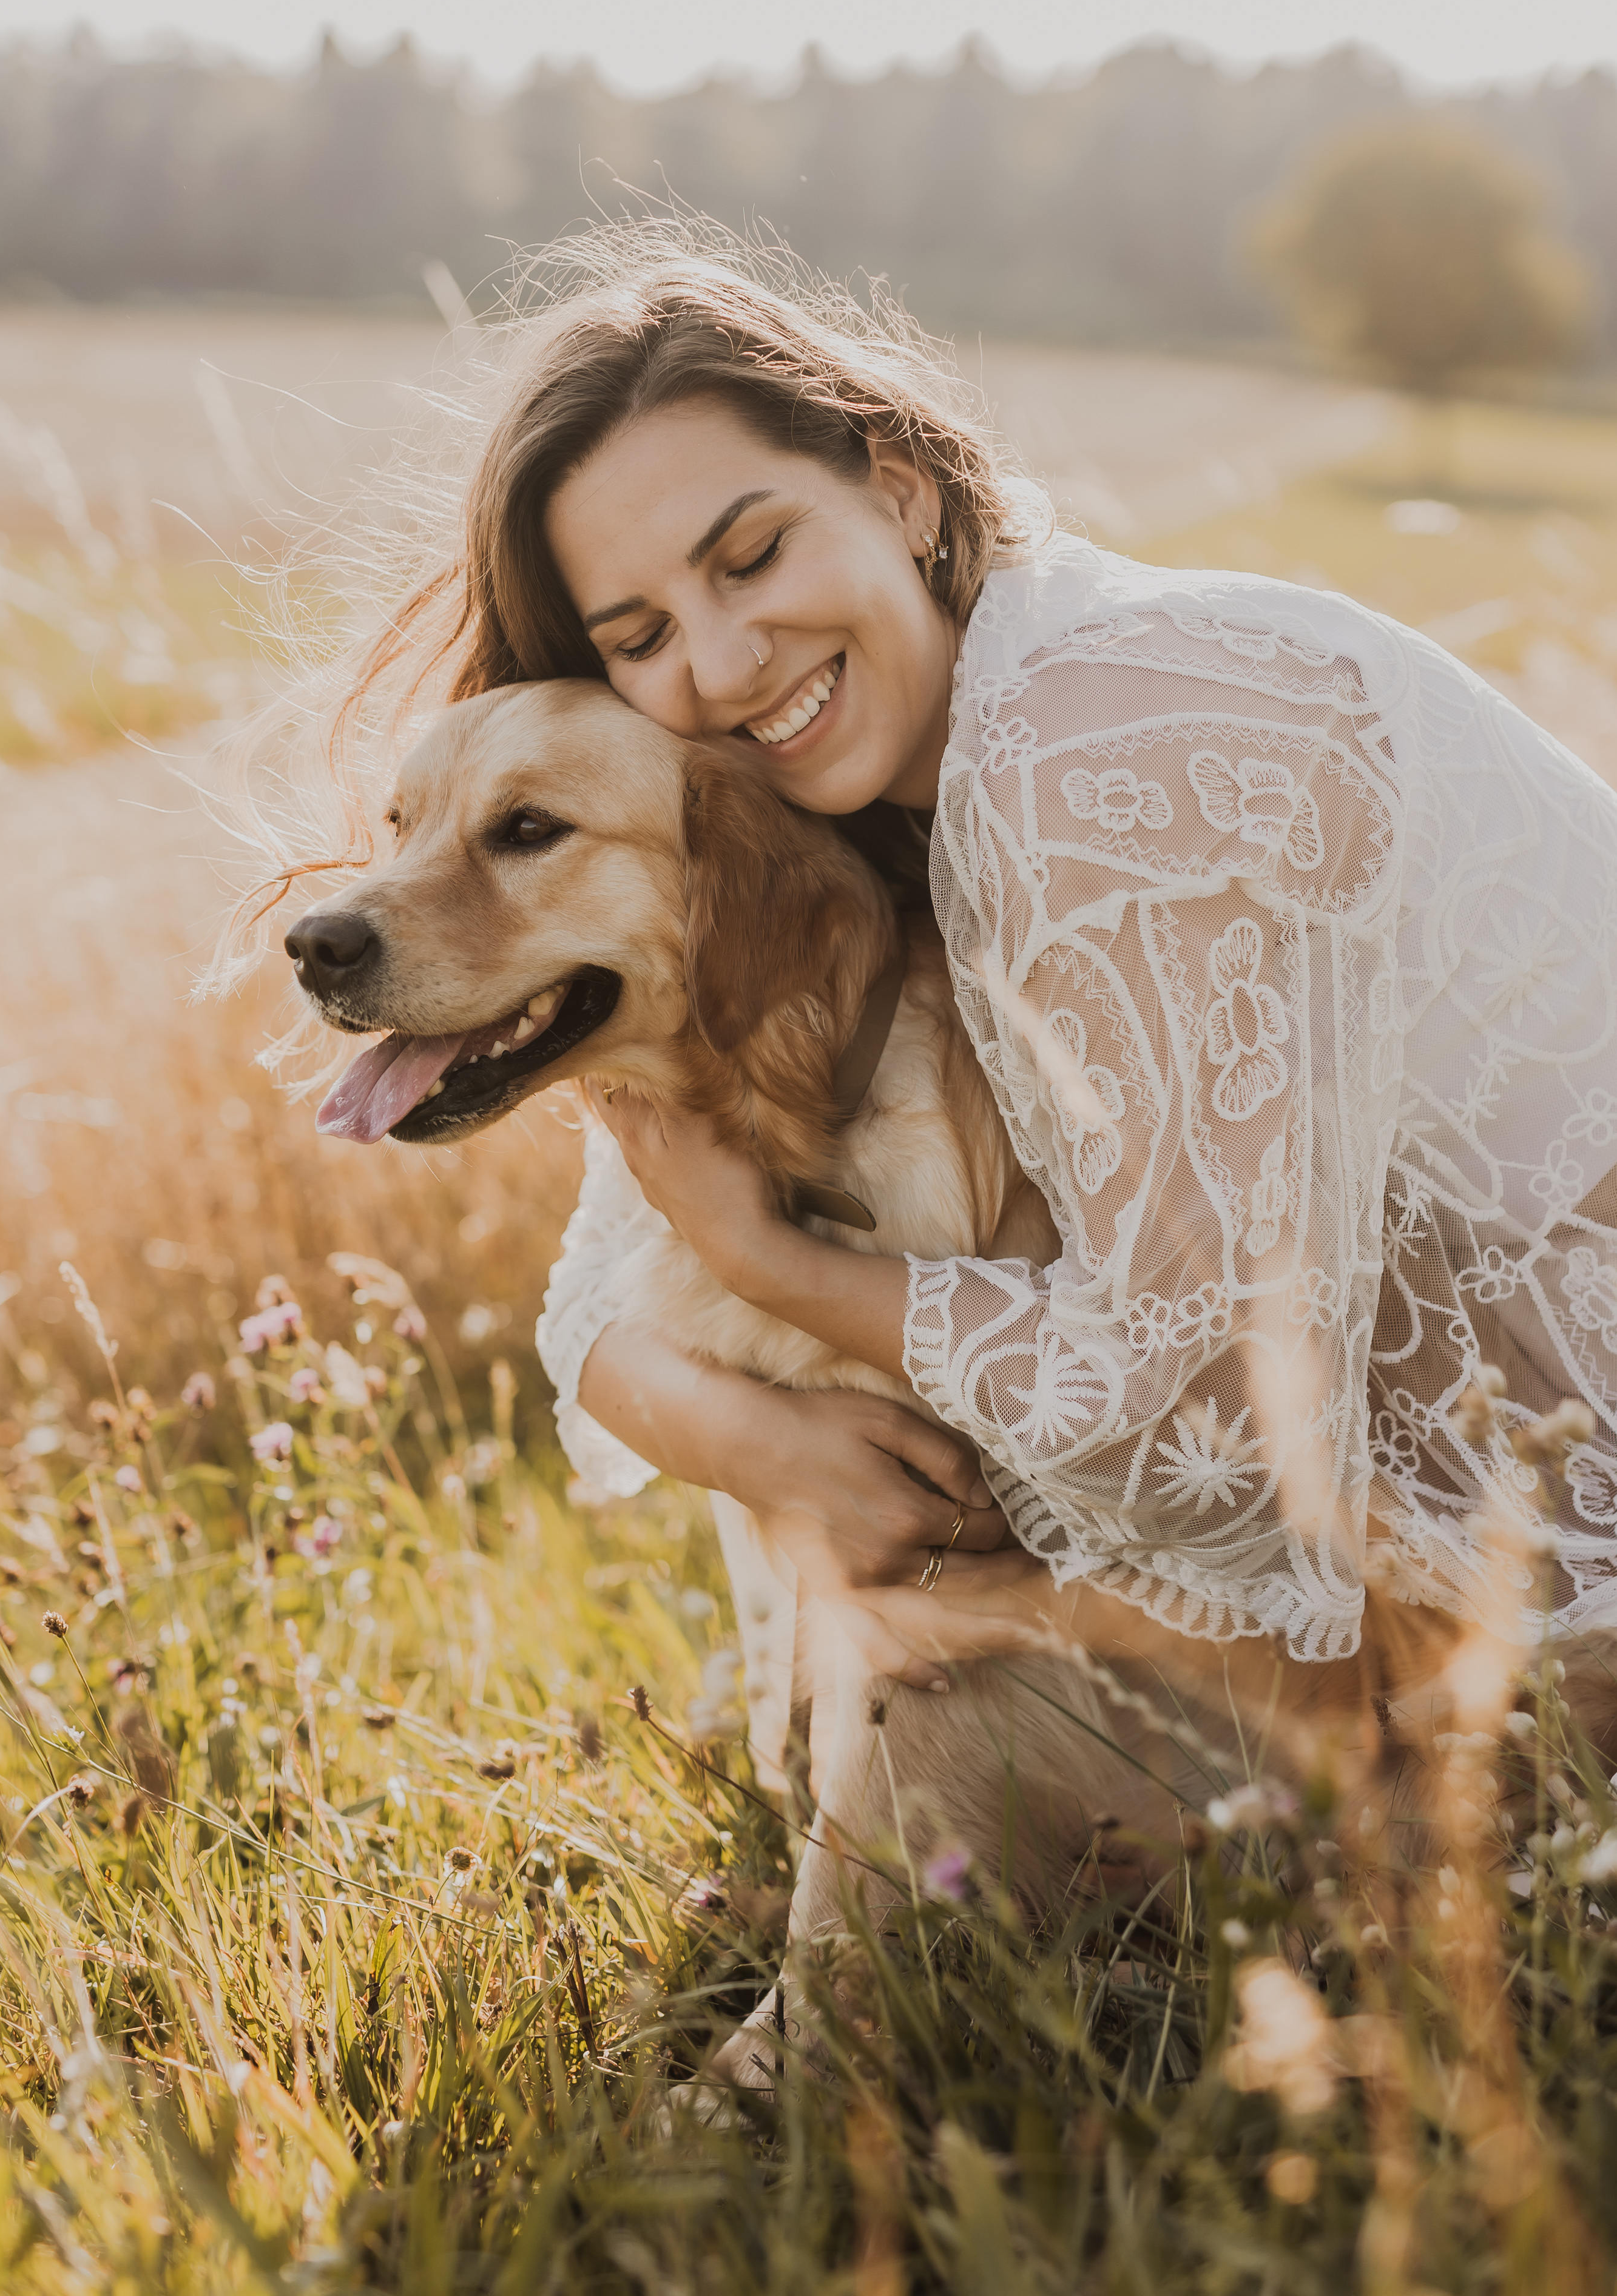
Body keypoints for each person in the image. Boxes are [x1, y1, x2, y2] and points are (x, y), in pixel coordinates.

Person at [318, 224, 1617, 1712]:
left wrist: (774, 1267)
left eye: (753, 554)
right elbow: (603, 1288)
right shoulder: (834, 802)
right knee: (916, 1700)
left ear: (897, 482)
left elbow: (1212, 1438)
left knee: (930, 1715)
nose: (729, 661)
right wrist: (753, 1437)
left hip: (1556, 1519)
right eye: (641, 633)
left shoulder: (1087, 754)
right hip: (1429, 1511)